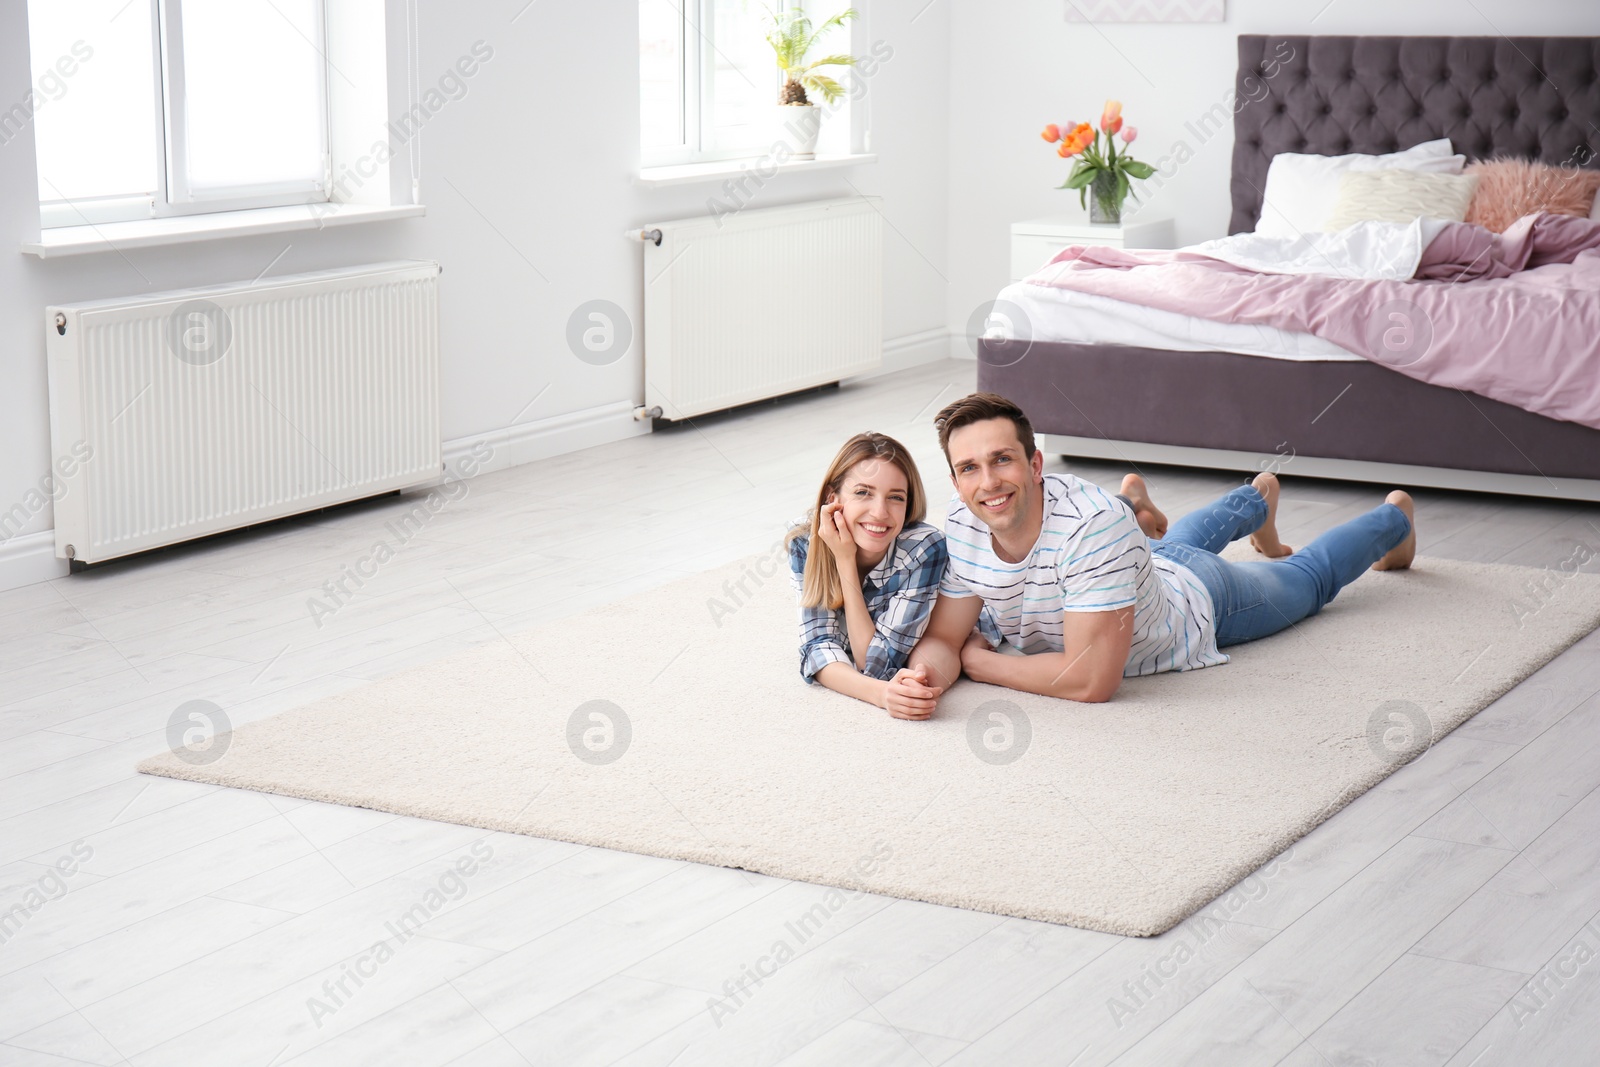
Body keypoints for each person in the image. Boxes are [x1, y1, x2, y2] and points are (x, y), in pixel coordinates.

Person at [886, 392, 1415, 717]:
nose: (988, 482)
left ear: (1035, 464)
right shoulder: (960, 524)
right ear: (954, 481)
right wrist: (924, 678)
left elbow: (1091, 681)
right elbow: (944, 637)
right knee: (1169, 546)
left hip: (1201, 600)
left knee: (1307, 579)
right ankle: (1253, 498)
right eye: (969, 468)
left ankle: (1395, 518)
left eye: (1002, 460)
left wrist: (979, 661)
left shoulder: (1094, 527)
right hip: (1138, 568)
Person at [786, 433, 948, 718]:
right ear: (833, 498)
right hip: (881, 635)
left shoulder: (925, 547)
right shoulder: (805, 542)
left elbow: (876, 664)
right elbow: (818, 646)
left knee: (937, 660)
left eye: (896, 497)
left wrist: (845, 561)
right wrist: (882, 695)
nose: (880, 512)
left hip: (947, 622)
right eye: (863, 492)